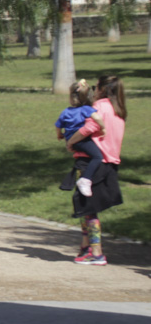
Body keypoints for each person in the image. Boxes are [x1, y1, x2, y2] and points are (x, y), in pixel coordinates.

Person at [66, 75, 126, 266]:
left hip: (92, 162)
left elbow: (89, 127)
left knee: (87, 207)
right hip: (110, 161)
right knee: (86, 206)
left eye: (96, 87)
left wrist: (71, 141)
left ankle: (96, 252)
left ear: (102, 89)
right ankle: (86, 246)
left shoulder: (99, 106)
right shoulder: (119, 109)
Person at [55, 79, 106, 197]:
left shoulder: (66, 111)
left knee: (86, 154)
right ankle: (85, 179)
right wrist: (103, 128)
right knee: (98, 157)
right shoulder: (86, 109)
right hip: (81, 139)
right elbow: (97, 118)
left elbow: (58, 125)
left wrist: (59, 134)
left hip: (70, 139)